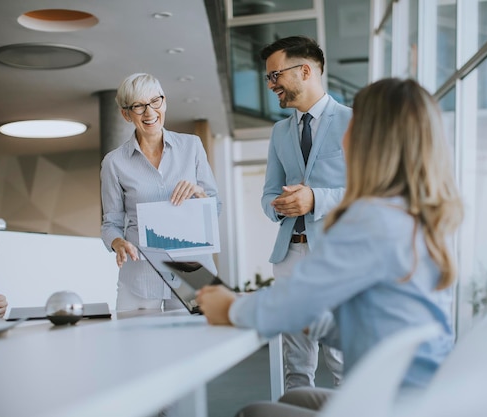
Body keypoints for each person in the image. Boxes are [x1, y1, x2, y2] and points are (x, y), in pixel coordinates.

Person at [196, 77, 464, 416]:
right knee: (295, 399)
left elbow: (293, 303)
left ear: (371, 140)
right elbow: (379, 327)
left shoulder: (372, 219)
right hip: (422, 398)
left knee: (254, 413)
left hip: (387, 404)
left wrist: (230, 309)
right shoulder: (417, 218)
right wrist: (312, 321)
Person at [259, 35, 351, 391]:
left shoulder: (353, 122)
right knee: (296, 363)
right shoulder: (279, 132)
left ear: (305, 71)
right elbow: (269, 192)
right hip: (289, 256)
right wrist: (277, 206)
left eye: (275, 76)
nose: (271, 86)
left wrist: (315, 199)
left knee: (343, 361)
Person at [101, 73, 221, 313]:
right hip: (140, 276)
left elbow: (215, 207)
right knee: (138, 349)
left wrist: (198, 193)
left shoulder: (192, 146)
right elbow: (110, 223)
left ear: (164, 102)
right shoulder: (114, 163)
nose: (149, 112)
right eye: (138, 106)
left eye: (155, 101)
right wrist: (117, 242)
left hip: (193, 272)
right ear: (126, 113)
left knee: (199, 345)